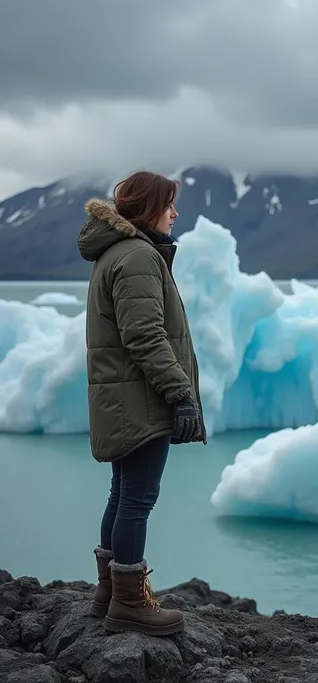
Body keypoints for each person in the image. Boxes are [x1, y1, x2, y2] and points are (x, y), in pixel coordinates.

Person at [78, 171, 206, 636]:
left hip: (125, 395)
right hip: (141, 399)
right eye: (170, 204)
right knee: (137, 500)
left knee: (122, 495)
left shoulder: (119, 252)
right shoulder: (136, 257)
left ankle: (109, 595)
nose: (176, 213)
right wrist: (180, 394)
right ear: (151, 207)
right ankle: (131, 603)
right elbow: (144, 334)